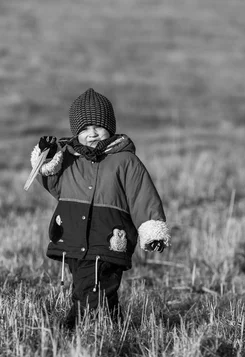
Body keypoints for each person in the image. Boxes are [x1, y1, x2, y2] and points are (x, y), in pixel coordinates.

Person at [29, 88, 170, 330]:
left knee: (90, 289)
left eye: (97, 126)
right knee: (98, 288)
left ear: (110, 126)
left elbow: (142, 196)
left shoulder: (125, 161)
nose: (91, 133)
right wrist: (48, 159)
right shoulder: (69, 159)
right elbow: (52, 183)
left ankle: (73, 332)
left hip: (109, 239)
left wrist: (153, 230)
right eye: (84, 129)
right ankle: (115, 328)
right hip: (72, 239)